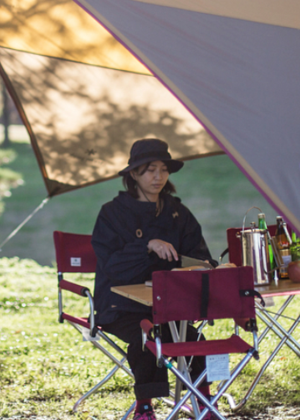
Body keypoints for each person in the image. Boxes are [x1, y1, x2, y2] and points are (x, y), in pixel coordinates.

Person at [92, 138, 216, 420]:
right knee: (149, 336)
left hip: (169, 305)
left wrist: (204, 267)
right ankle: (144, 408)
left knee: (192, 338)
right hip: (120, 306)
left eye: (163, 169)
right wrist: (147, 244)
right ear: (133, 174)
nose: (158, 176)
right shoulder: (112, 214)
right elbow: (111, 266)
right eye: (150, 170)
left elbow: (197, 254)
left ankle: (204, 401)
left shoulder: (178, 213)